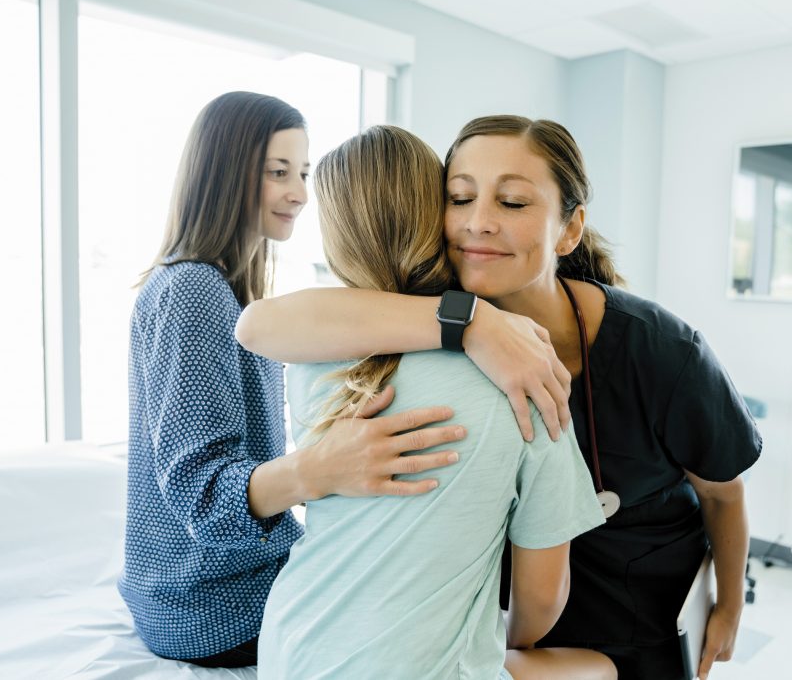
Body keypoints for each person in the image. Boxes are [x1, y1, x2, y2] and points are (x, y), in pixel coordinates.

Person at [238, 115, 763, 680]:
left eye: (512, 203)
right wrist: (470, 323)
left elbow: (722, 494)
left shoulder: (662, 350)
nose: (479, 222)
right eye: (459, 199)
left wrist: (730, 606)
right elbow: (261, 326)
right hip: (501, 632)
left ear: (569, 229)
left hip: (639, 623)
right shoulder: (429, 324)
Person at [118, 92, 481, 667]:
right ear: (223, 174)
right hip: (210, 608)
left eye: (304, 174)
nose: (299, 194)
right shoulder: (193, 290)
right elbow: (201, 497)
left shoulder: (224, 290)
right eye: (277, 172)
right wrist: (322, 468)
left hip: (211, 587)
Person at [255, 125, 614, 680]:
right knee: (599, 668)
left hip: (288, 650)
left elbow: (260, 324)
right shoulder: (524, 377)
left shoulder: (312, 360)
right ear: (437, 215)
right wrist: (500, 644)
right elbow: (542, 598)